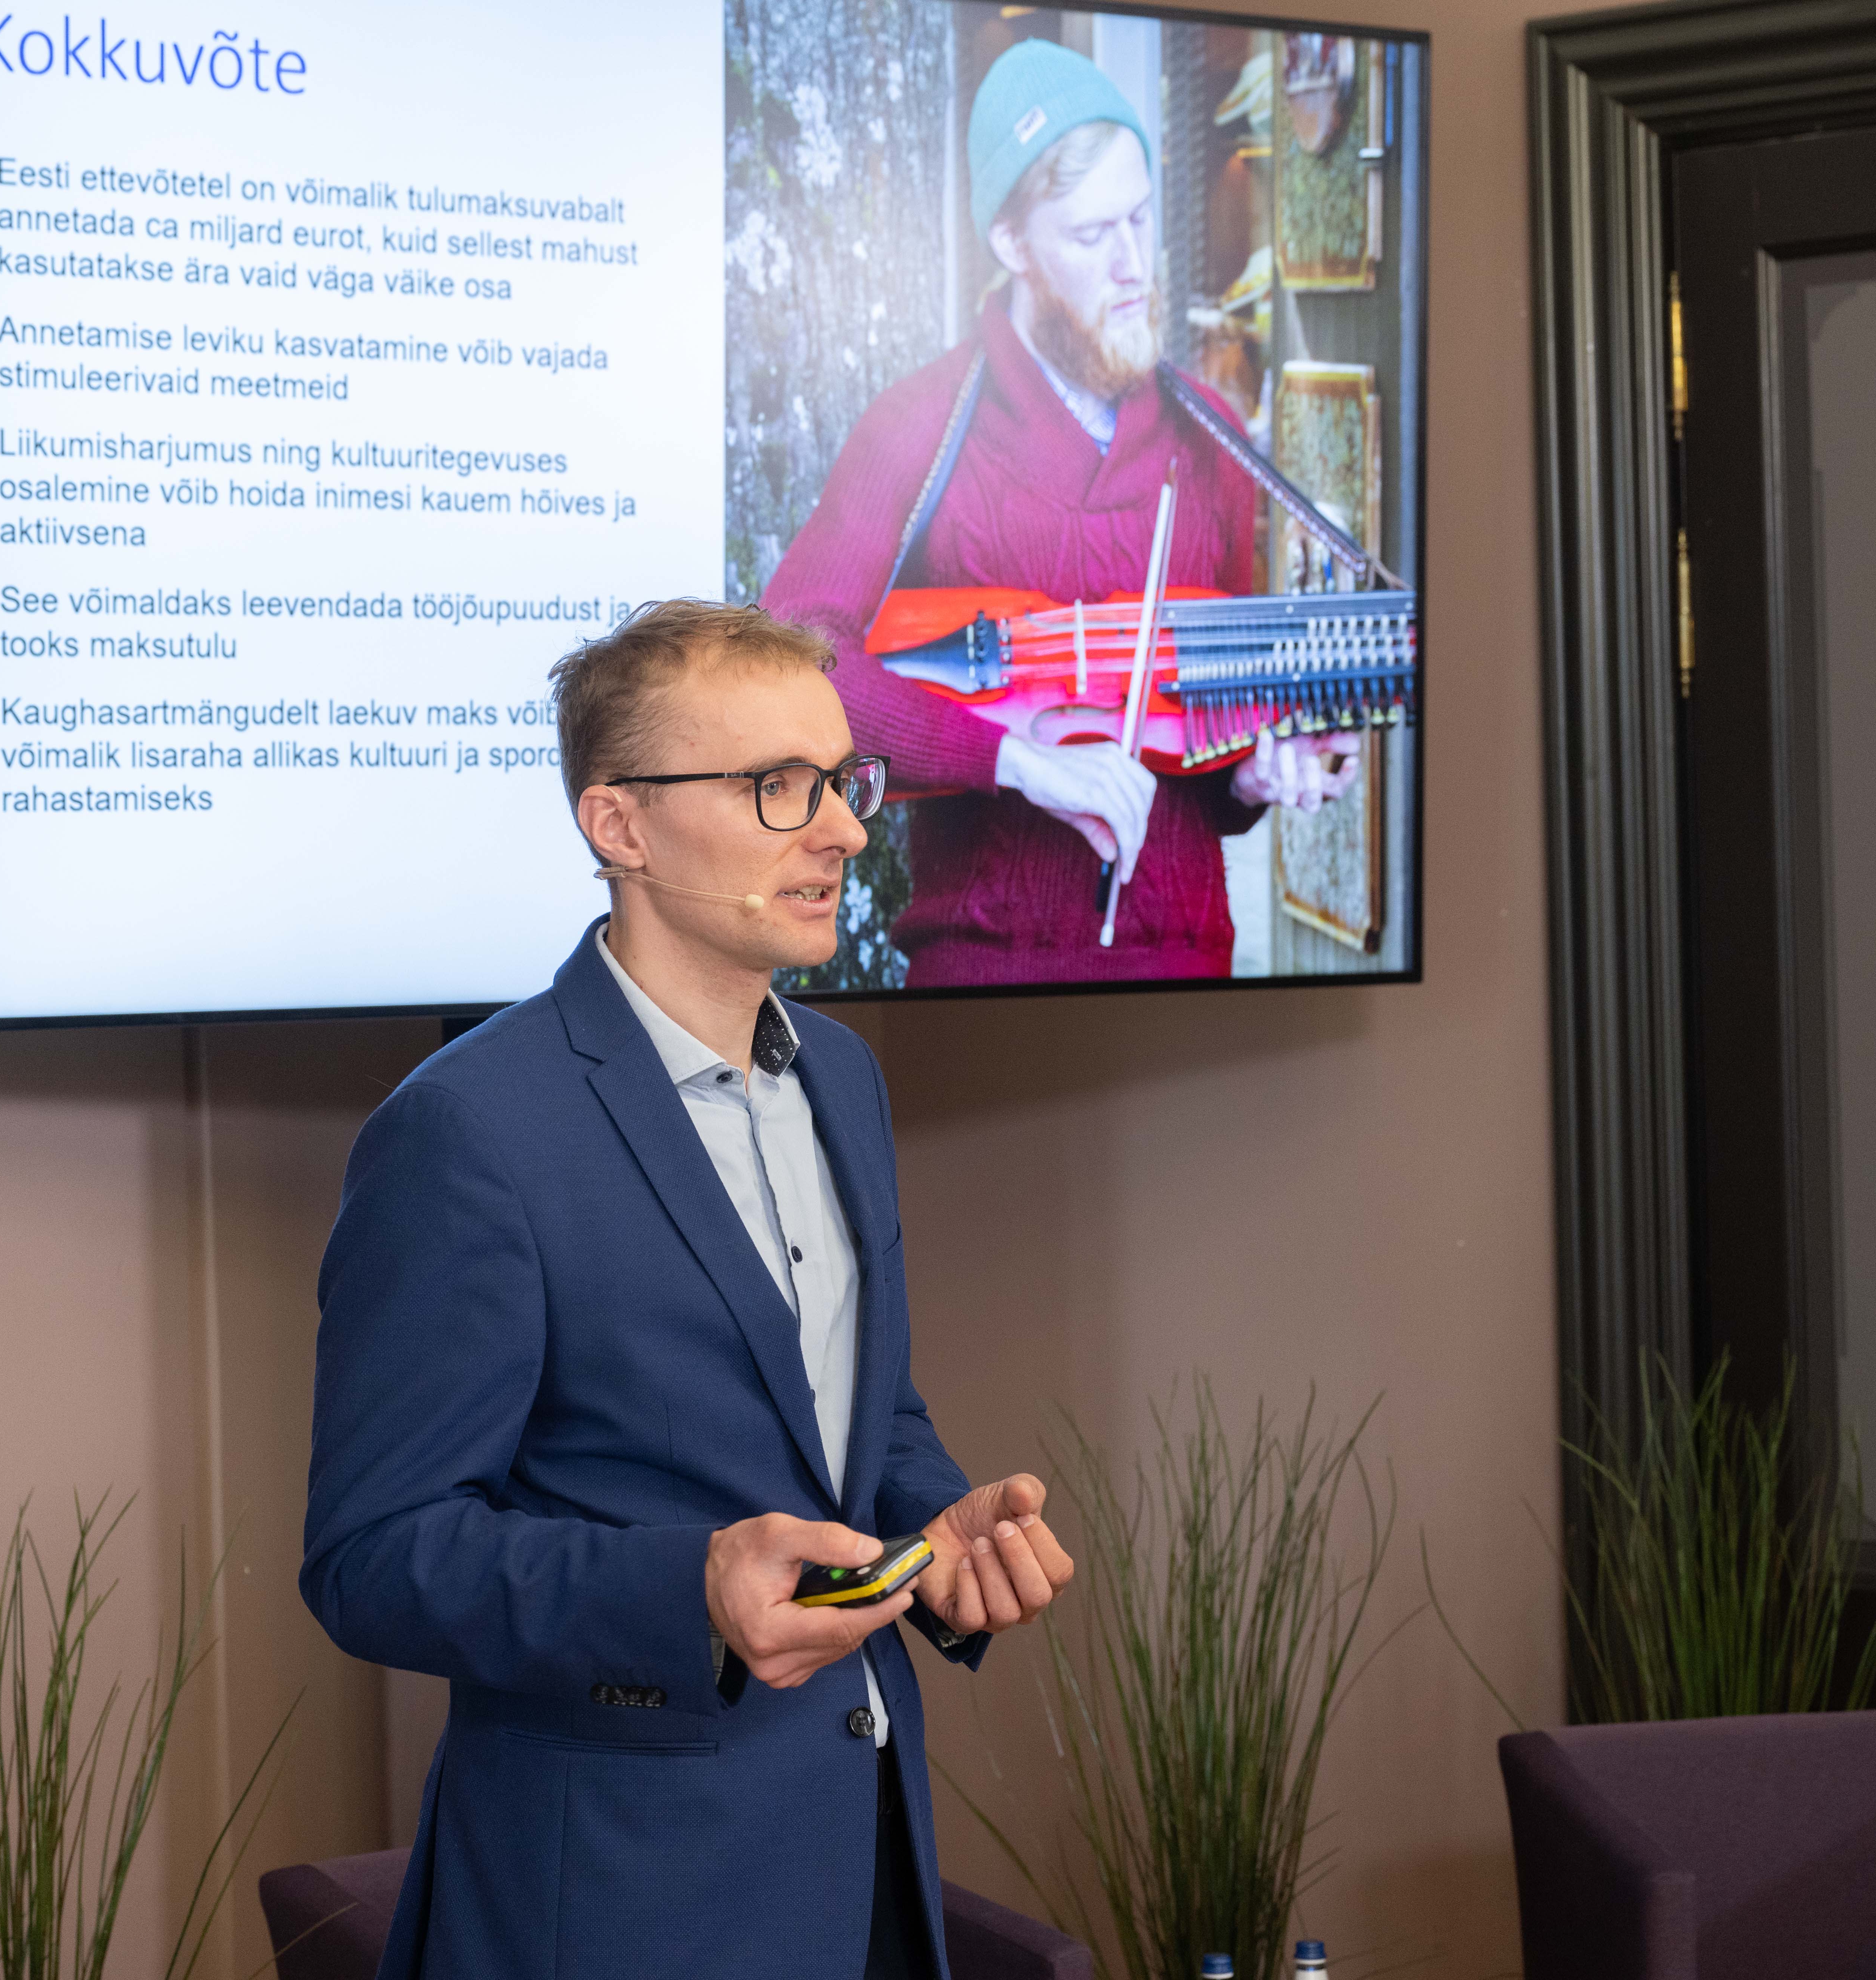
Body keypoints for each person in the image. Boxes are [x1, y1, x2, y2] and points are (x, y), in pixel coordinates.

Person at [300, 599, 1074, 1980]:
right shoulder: (469, 1130)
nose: (842, 831)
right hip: (618, 1903)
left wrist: (931, 1532)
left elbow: (854, 1413)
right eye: (778, 785)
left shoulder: (843, 1075)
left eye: (842, 779)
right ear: (621, 826)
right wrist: (690, 1587)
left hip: (866, 1871)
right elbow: (374, 1556)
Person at [762, 37, 1363, 988]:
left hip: (1189, 977)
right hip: (981, 980)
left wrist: (1257, 774)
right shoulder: (918, 423)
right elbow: (788, 666)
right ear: (1013, 246)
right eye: (1091, 236)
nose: (1132, 265)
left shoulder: (1209, 434)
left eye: (1141, 218)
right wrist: (1013, 759)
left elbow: (1208, 764)